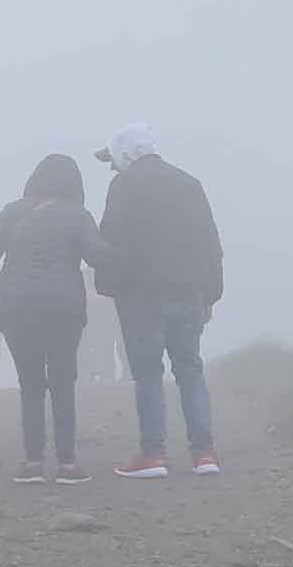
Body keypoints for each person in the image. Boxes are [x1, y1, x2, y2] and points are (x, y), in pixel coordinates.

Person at [0, 155, 115, 485]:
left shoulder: (12, 212)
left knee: (31, 385)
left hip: (16, 309)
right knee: (64, 383)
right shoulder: (78, 216)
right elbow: (98, 256)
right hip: (63, 310)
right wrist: (129, 257)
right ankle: (67, 463)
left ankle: (33, 462)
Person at [94, 122, 223, 478]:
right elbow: (211, 243)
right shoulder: (189, 183)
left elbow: (112, 240)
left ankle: (153, 455)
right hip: (189, 294)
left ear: (125, 153)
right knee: (190, 370)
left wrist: (106, 286)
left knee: (148, 373)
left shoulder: (123, 186)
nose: (111, 166)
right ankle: (205, 455)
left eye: (113, 158)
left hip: (142, 297)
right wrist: (211, 294)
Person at [79, 269, 124, 385]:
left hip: (94, 314)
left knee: (95, 346)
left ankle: (89, 376)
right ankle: (106, 376)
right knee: (106, 346)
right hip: (105, 313)